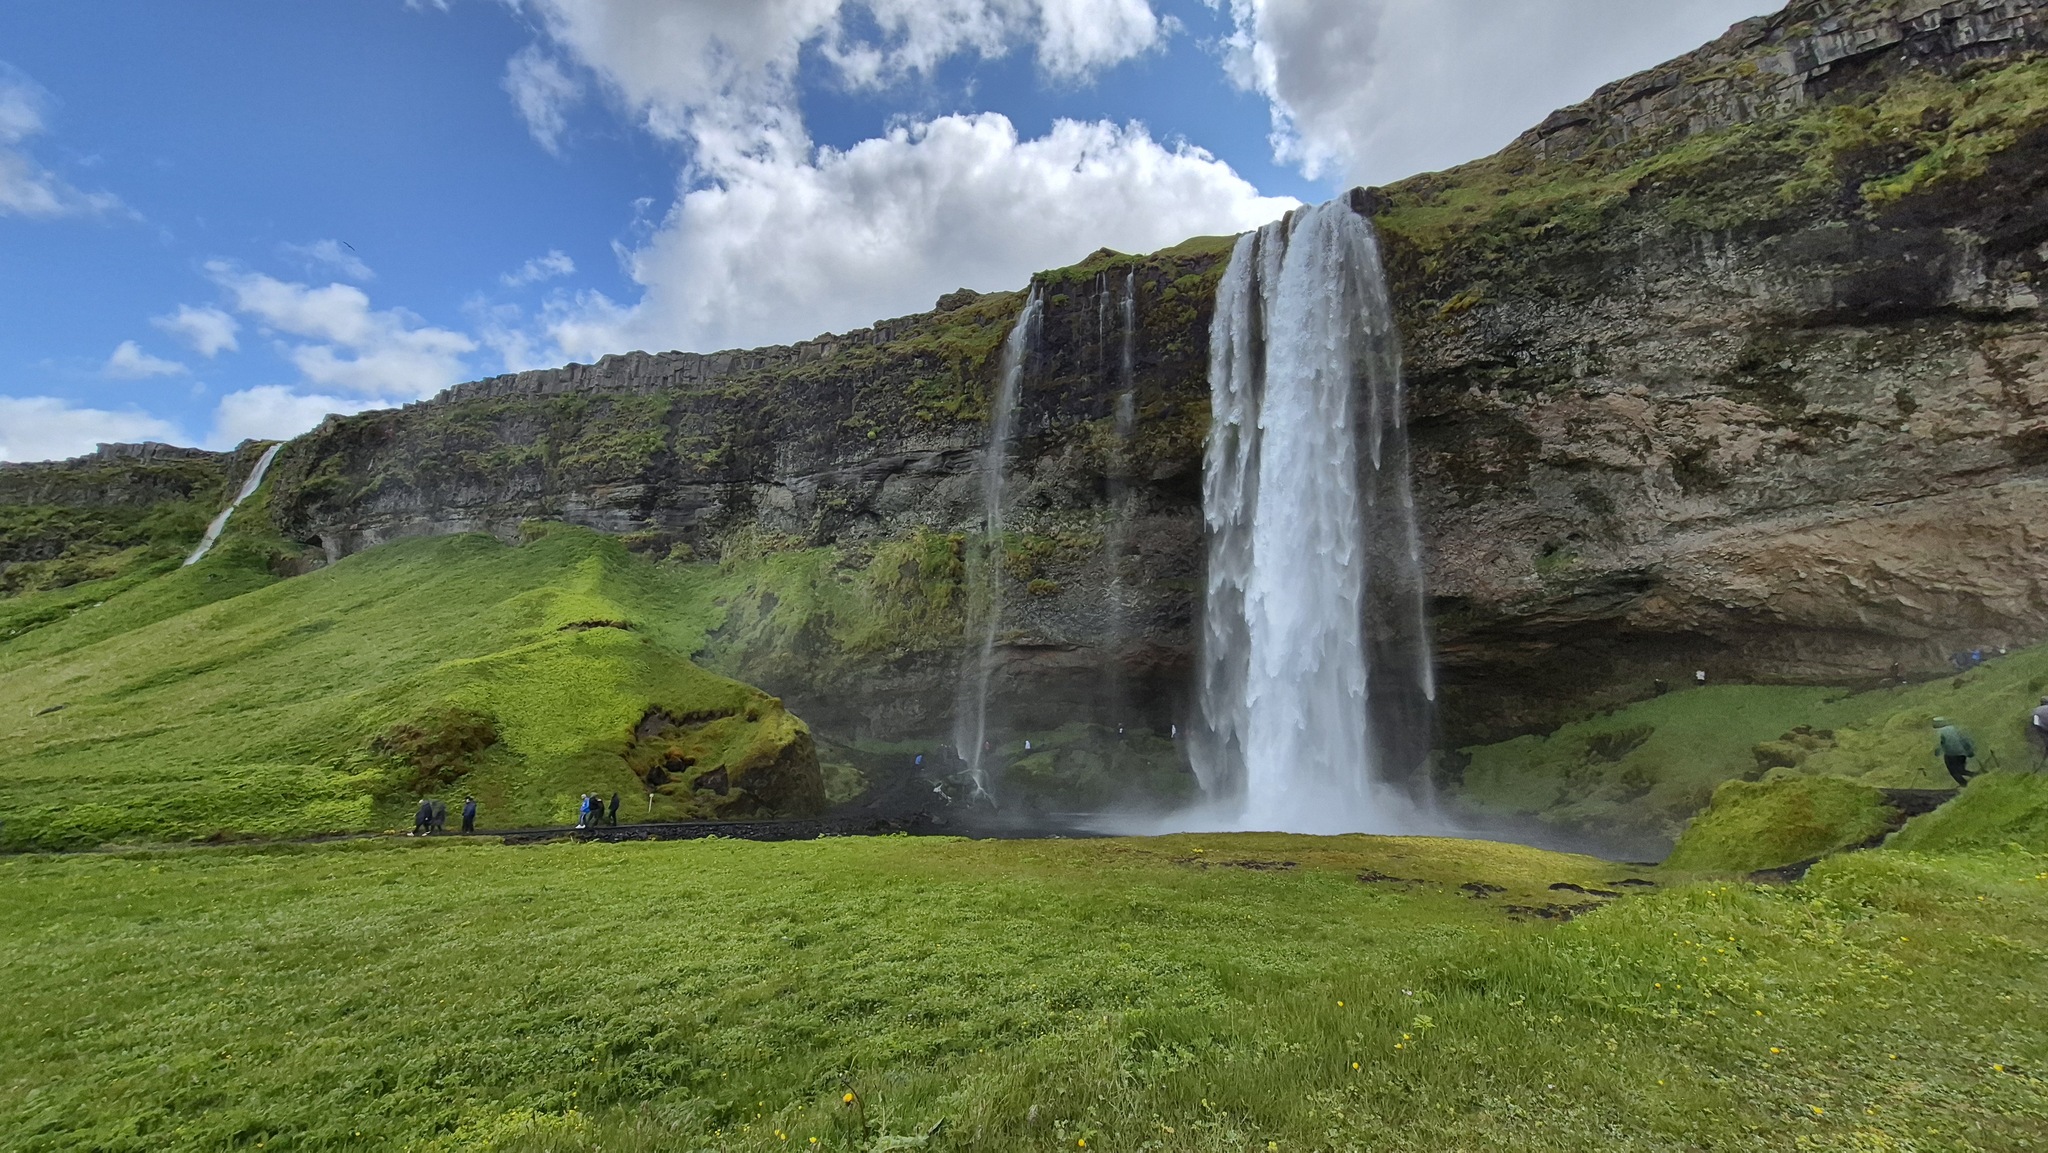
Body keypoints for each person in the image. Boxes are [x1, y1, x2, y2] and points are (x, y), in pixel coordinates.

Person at [1933, 717, 1976, 786]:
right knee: (1961, 770)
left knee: (1954, 772)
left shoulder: (1939, 731)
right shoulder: (1954, 728)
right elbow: (1964, 738)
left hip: (1951, 755)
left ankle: (1965, 785)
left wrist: (1937, 752)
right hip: (1962, 753)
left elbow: (1942, 743)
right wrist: (1969, 750)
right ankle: (1976, 775)